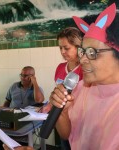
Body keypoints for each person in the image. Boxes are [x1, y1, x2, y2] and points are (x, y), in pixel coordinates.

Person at [49, 3, 119, 150]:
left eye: (92, 53)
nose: (83, 60)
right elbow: (66, 134)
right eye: (83, 52)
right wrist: (62, 112)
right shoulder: (81, 88)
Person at [40, 27, 83, 150]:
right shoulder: (60, 67)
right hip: (61, 120)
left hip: (79, 124)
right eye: (60, 48)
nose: (63, 52)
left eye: (66, 48)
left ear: (78, 47)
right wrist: (48, 105)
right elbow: (57, 93)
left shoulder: (85, 69)